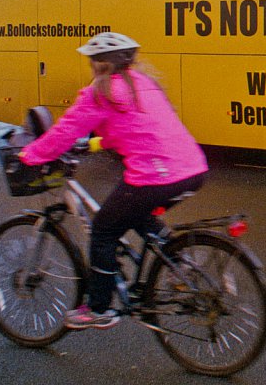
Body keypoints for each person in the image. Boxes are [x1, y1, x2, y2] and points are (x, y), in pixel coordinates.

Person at [19, 32, 208, 330]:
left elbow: (65, 132)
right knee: (136, 212)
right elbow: (139, 127)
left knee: (104, 230)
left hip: (156, 175)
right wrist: (98, 142)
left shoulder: (100, 92)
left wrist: (30, 155)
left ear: (98, 64)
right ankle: (180, 264)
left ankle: (99, 309)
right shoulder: (144, 83)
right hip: (193, 169)